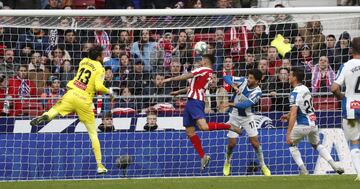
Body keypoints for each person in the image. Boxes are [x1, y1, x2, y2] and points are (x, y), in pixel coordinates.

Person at [30, 46, 114, 174]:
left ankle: (46, 115)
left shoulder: (83, 61)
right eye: (102, 55)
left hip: (72, 93)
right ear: (98, 57)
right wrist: (109, 92)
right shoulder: (100, 68)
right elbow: (98, 86)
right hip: (85, 99)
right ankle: (99, 165)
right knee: (93, 134)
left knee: (56, 109)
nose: (103, 57)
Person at [162, 54, 241, 171]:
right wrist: (178, 92)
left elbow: (187, 76)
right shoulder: (209, 73)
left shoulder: (203, 69)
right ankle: (203, 156)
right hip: (191, 102)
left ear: (205, 61)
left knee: (203, 127)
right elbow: (195, 87)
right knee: (189, 132)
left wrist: (169, 79)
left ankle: (229, 126)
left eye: (202, 60)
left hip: (195, 102)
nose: (200, 62)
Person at [281, 68, 344, 175]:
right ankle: (334, 165)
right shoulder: (306, 88)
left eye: (290, 75)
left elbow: (294, 113)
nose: (288, 77)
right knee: (317, 144)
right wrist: (287, 115)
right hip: (313, 124)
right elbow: (304, 107)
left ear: (295, 78)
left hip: (302, 125)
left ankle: (303, 170)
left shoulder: (294, 93)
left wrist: (288, 133)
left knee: (291, 144)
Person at [212, 69, 271, 176]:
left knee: (255, 143)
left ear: (257, 81)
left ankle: (263, 165)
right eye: (249, 77)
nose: (248, 79)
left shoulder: (257, 92)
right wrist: (233, 86)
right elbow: (226, 78)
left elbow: (244, 105)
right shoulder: (243, 81)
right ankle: (227, 163)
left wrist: (229, 104)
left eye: (251, 78)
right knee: (232, 144)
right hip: (234, 116)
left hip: (247, 117)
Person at [331, 37, 360, 181]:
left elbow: (334, 88)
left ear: (350, 49)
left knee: (355, 141)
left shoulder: (346, 65)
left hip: (351, 108)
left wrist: (342, 97)